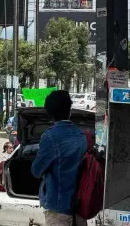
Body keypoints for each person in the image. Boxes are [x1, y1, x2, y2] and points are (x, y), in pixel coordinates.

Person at [31, 90, 87, 226]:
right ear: (70, 110)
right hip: (80, 207)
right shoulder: (82, 135)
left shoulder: (50, 137)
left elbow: (36, 171)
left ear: (50, 113)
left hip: (58, 207)